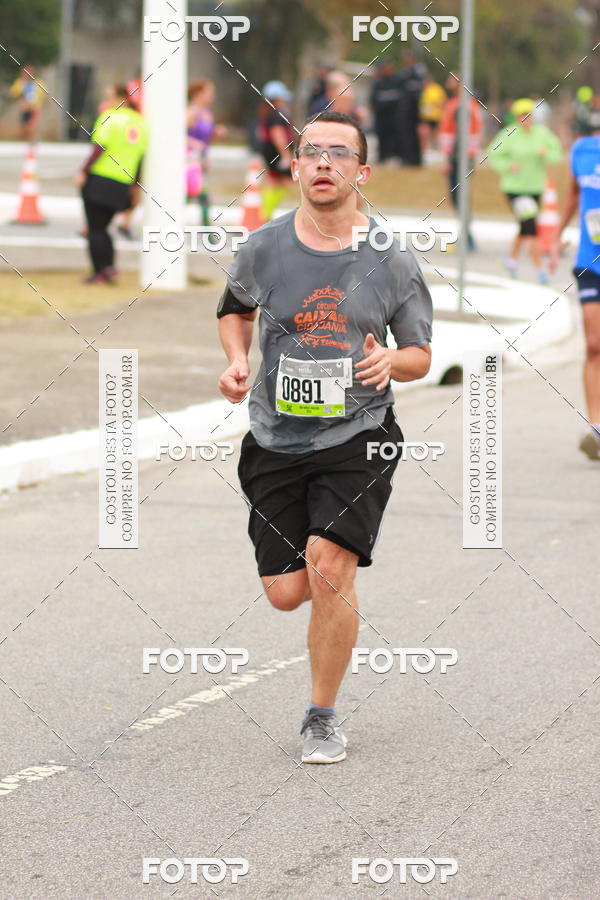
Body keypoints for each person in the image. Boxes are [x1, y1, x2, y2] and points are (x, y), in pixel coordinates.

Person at [216, 111, 433, 764]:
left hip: (359, 434)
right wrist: (234, 360)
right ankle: (318, 573)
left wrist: (389, 362)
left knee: (329, 567)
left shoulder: (391, 259)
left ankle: (322, 716)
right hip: (275, 438)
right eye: (311, 152)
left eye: (338, 153)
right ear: (295, 164)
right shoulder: (263, 246)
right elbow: (234, 309)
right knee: (287, 592)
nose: (323, 163)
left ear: (360, 172)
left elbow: (421, 354)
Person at [552, 117, 600, 460]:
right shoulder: (582, 150)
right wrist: (556, 236)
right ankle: (595, 427)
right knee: (595, 343)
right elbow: (573, 193)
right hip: (589, 260)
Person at [486, 97, 563, 284]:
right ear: (516, 117)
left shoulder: (542, 134)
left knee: (524, 226)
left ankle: (510, 261)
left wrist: (547, 154)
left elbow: (557, 154)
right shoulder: (508, 133)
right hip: (514, 188)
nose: (526, 120)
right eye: (522, 116)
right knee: (530, 227)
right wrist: (507, 166)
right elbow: (492, 155)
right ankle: (540, 270)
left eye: (529, 116)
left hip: (535, 187)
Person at [76, 84, 147, 283]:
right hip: (122, 182)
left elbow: (99, 147)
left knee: (95, 228)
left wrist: (83, 171)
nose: (107, 101)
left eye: (110, 96)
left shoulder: (110, 117)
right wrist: (135, 186)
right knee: (103, 227)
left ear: (122, 98)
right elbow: (141, 157)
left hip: (100, 178)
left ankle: (101, 270)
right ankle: (109, 267)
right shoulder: (141, 123)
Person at [439, 76, 484, 251]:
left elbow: (459, 135)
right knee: (459, 197)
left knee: (459, 197)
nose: (448, 83)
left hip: (460, 158)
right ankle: (467, 236)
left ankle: (468, 238)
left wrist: (450, 159)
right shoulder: (463, 104)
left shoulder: (462, 106)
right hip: (462, 157)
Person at [187, 79, 227, 228]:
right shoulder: (191, 112)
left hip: (201, 158)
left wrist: (216, 133)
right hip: (189, 159)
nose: (212, 96)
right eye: (209, 93)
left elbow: (206, 138)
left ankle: (207, 229)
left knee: (198, 192)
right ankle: (207, 231)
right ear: (197, 94)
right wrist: (194, 144)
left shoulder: (208, 113)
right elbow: (177, 135)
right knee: (195, 192)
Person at [257, 81, 295, 221]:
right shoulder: (277, 115)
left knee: (276, 182)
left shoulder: (268, 113)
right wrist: (286, 155)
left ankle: (266, 213)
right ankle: (265, 214)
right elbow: (278, 136)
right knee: (282, 182)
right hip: (277, 154)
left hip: (271, 153)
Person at [396, 53, 427, 166]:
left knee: (413, 134)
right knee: (406, 134)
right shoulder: (407, 73)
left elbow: (415, 89)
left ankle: (414, 159)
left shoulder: (416, 73)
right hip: (407, 108)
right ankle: (408, 158)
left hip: (414, 108)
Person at [370, 61, 403, 163]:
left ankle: (393, 156)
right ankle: (382, 157)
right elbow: (372, 100)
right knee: (382, 137)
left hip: (394, 116)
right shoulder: (378, 83)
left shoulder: (397, 81)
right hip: (381, 116)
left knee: (394, 137)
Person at [9, 66, 46, 142]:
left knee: (31, 127)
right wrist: (21, 101)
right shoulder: (19, 83)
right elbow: (13, 93)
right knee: (24, 129)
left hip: (34, 109)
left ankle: (34, 143)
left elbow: (42, 97)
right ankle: (31, 142)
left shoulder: (39, 83)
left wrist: (34, 105)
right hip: (24, 110)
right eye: (24, 73)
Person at [419, 76, 446, 154]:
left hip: (436, 116)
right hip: (426, 117)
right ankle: (427, 149)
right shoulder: (424, 90)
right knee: (424, 133)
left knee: (435, 134)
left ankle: (437, 149)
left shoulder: (437, 89)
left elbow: (442, 101)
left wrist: (436, 105)